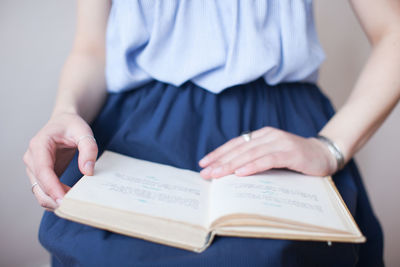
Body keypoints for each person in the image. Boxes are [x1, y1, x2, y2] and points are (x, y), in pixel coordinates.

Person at [23, 0, 400, 266]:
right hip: (134, 128)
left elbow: (393, 30)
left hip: (276, 129)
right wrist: (65, 112)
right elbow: (93, 49)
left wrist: (331, 146)